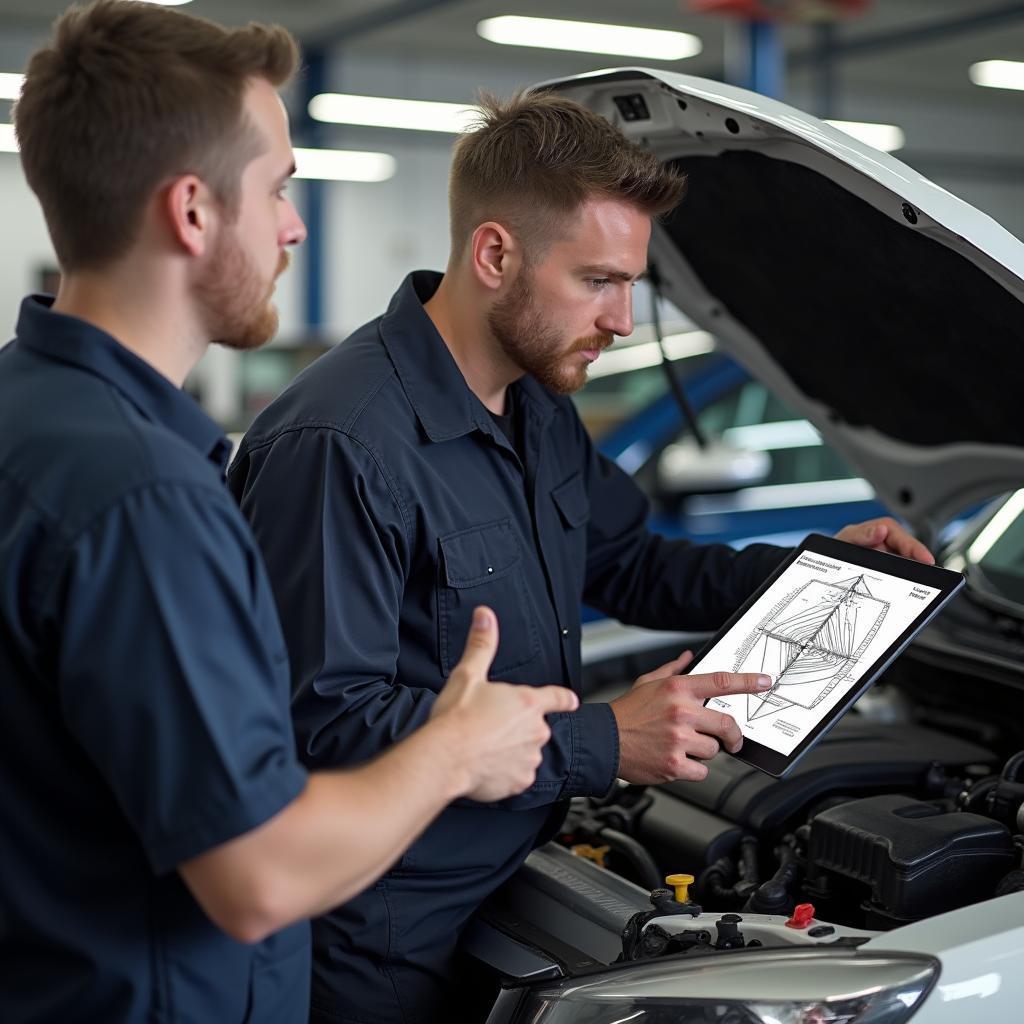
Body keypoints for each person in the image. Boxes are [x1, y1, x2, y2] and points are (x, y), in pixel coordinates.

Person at [229, 92, 934, 1022]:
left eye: (632, 284)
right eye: (599, 280)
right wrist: (604, 741)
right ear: (494, 255)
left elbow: (631, 562)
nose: (624, 321)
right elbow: (321, 723)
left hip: (509, 880)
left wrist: (815, 572)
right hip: (374, 931)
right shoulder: (343, 443)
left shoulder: (537, 403)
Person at [0, 6, 579, 1023]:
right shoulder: (144, 499)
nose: (295, 225)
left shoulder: (24, 413)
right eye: (276, 188)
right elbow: (258, 873)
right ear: (191, 212)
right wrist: (454, 748)